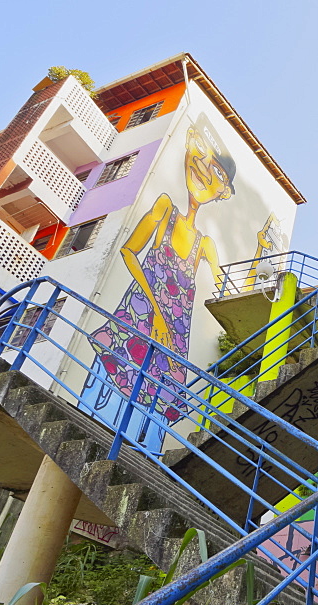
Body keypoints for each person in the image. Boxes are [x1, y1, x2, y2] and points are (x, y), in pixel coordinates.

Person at [84, 114, 235, 442]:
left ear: (224, 191)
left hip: (171, 346)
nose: (203, 170)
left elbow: (233, 288)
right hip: (135, 326)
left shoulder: (204, 244)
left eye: (217, 174)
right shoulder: (165, 208)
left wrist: (264, 251)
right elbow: (128, 252)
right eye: (204, 161)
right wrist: (157, 314)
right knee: (101, 416)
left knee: (149, 425)